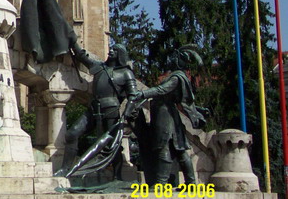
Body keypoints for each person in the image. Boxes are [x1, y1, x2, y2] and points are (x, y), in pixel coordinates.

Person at [56, 43, 138, 179]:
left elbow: (133, 95)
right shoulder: (99, 67)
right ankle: (65, 169)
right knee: (72, 133)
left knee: (113, 144)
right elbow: (82, 56)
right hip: (94, 109)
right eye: (111, 48)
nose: (111, 51)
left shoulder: (126, 73)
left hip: (111, 111)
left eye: (115, 50)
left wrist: (127, 113)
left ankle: (117, 176)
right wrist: (72, 40)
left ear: (120, 55)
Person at [132, 45, 207, 185]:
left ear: (178, 61)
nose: (170, 61)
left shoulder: (176, 77)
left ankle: (161, 183)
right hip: (164, 112)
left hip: (165, 114)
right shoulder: (175, 76)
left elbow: (161, 90)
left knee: (164, 146)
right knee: (179, 150)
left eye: (173, 58)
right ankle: (191, 183)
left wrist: (142, 93)